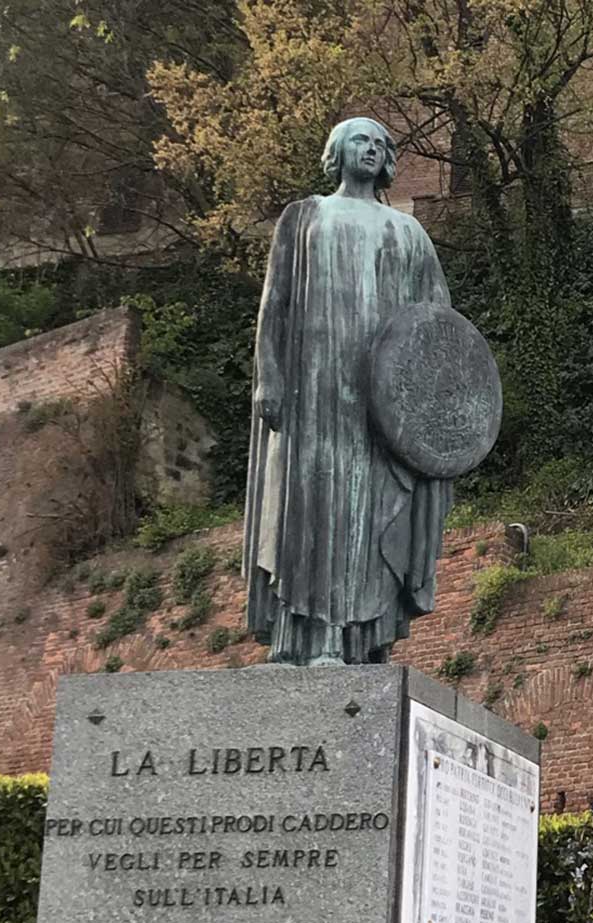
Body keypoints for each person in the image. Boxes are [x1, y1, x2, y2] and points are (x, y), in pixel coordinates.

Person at [244, 116, 452, 665]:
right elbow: (275, 304)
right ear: (337, 151)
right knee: (314, 512)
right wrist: (269, 375)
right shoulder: (304, 217)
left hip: (382, 403)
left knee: (373, 512)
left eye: (381, 144)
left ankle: (363, 640)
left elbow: (439, 326)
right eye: (361, 139)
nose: (372, 149)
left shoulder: (409, 232)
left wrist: (431, 410)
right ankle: (307, 640)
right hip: (314, 389)